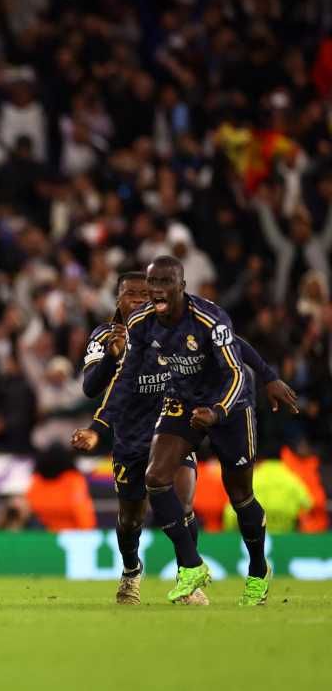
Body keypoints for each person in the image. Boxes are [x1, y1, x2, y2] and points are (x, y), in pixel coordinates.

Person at [78, 256, 297, 605]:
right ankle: (190, 566)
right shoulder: (138, 325)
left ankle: (258, 570)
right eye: (151, 285)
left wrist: (230, 402)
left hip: (229, 405)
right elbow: (121, 380)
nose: (154, 292)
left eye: (164, 283)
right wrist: (97, 427)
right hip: (178, 405)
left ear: (182, 286)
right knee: (155, 480)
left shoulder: (210, 319)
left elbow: (237, 371)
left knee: (240, 496)